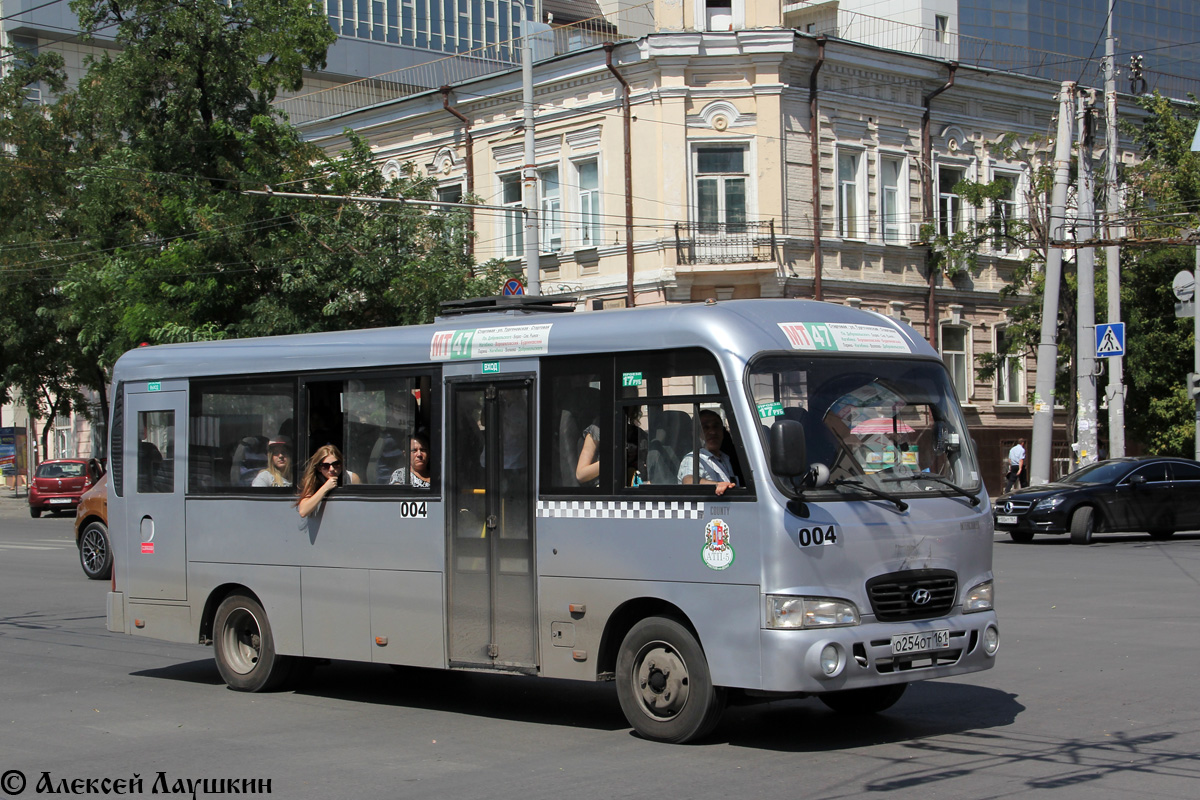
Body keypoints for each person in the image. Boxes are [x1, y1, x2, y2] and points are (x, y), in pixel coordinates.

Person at [677, 409, 737, 495]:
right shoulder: (694, 458)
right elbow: (688, 481)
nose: (712, 432)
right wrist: (717, 485)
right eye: (705, 428)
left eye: (716, 426)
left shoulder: (725, 458)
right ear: (695, 434)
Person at [296, 444, 360, 517]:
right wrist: (326, 487)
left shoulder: (352, 478)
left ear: (341, 464)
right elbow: (303, 511)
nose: (331, 469)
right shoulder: (314, 480)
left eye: (336, 464)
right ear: (319, 468)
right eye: (325, 466)